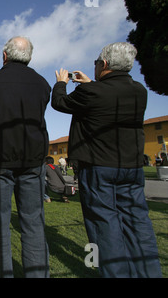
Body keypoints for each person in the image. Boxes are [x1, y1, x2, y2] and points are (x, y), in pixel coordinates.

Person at [51, 42, 162, 278]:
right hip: (131, 168)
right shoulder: (139, 91)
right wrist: (91, 83)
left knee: (104, 224)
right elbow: (109, 99)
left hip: (99, 168)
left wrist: (61, 82)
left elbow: (59, 103)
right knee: (137, 222)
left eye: (96, 63)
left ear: (104, 64)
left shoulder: (91, 92)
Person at [0, 36, 51, 278]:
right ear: (30, 57)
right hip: (33, 161)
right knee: (33, 224)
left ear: (4, 55)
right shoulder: (42, 84)